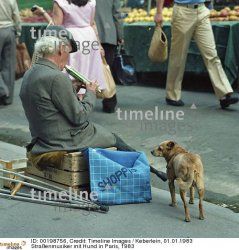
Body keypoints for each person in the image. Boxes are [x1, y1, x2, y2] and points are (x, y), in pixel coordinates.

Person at [20, 26, 167, 182]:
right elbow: (79, 117)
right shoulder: (57, 77)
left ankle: (153, 171)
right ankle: (148, 172)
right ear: (60, 50)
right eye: (68, 53)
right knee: (113, 139)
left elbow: (48, 104)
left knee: (108, 137)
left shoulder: (31, 72)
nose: (68, 59)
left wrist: (72, 89)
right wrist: (90, 91)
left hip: (43, 138)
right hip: (63, 140)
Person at [32, 0, 116, 113]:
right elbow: (92, 24)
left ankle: (73, 109)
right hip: (90, 40)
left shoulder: (60, 2)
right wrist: (99, 45)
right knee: (85, 75)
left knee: (70, 76)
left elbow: (56, 26)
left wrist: (43, 13)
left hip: (71, 40)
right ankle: (81, 105)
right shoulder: (91, 2)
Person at [155, 0, 239, 109]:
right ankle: (172, 95)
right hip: (182, 11)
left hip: (201, 10)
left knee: (211, 54)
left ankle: (224, 94)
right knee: (178, 56)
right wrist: (159, 12)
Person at [95, 0, 124, 112]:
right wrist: (120, 34)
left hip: (89, 34)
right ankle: (109, 102)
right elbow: (117, 14)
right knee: (108, 69)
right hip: (108, 33)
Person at [0, 0, 21, 105]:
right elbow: (16, 16)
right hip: (9, 30)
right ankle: (7, 99)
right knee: (9, 66)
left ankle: (2, 90)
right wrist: (18, 31)